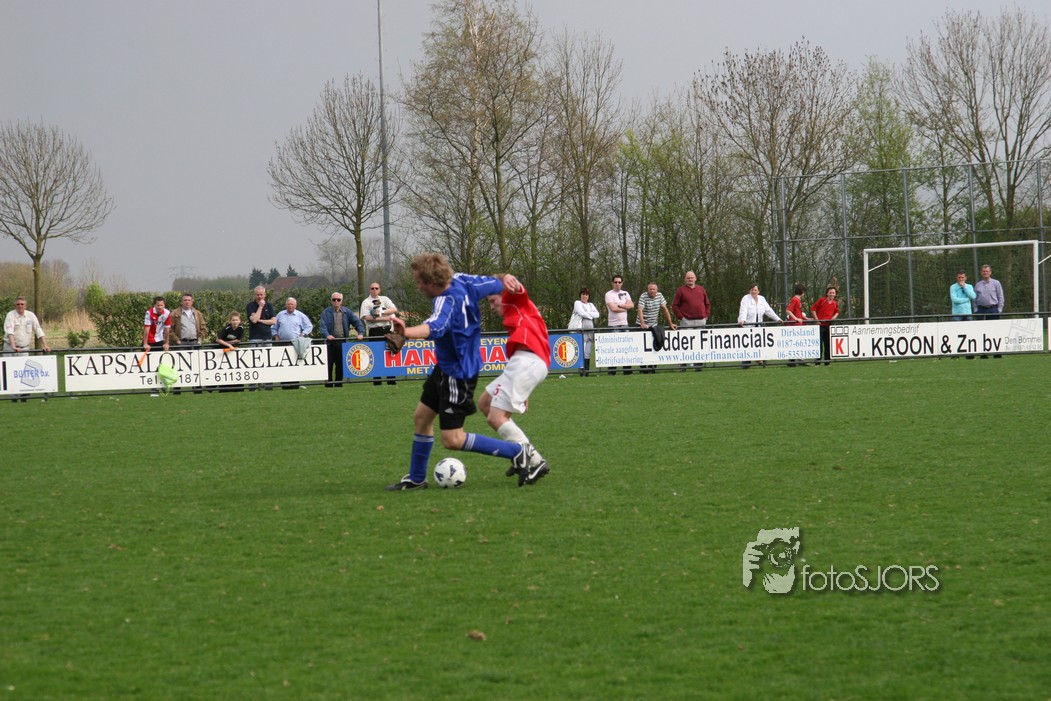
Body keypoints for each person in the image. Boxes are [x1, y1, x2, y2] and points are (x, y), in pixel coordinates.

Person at [384, 252, 537, 491]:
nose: (418, 286)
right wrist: (506, 276)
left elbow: (435, 327)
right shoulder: (464, 280)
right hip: (446, 367)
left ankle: (517, 451)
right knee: (422, 418)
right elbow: (496, 282)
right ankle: (416, 479)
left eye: (420, 282)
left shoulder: (446, 300)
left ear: (431, 283)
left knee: (453, 439)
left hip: (458, 374)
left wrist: (406, 332)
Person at [478, 284, 551, 485]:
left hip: (527, 362)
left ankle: (535, 461)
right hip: (523, 362)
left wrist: (505, 279)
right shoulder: (517, 314)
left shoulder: (517, 302)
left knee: (496, 418)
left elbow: (517, 288)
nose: (491, 306)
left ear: (505, 295)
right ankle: (520, 455)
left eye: (493, 301)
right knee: (485, 403)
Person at [319, 291, 365, 387]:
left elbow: (357, 322)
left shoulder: (347, 312)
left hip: (342, 342)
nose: (336, 301)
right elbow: (322, 326)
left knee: (340, 364)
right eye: (334, 299)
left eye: (338, 299)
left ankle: (338, 384)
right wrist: (327, 335)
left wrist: (360, 333)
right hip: (329, 343)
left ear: (341, 301)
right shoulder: (326, 312)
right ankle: (329, 385)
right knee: (328, 364)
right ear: (331, 301)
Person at [360, 282, 399, 386]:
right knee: (376, 355)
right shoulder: (366, 302)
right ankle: (377, 381)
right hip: (375, 331)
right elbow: (367, 317)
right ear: (369, 290)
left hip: (387, 330)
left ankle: (391, 380)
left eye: (376, 288)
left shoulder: (385, 299)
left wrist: (381, 312)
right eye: (372, 288)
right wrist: (385, 318)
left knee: (389, 354)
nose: (374, 290)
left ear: (379, 289)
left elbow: (394, 309)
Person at [672, 270, 711, 371]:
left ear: (695, 278)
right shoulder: (681, 290)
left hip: (701, 321)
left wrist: (706, 316)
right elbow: (675, 306)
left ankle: (698, 366)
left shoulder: (701, 289)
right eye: (688, 278)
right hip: (686, 321)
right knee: (685, 344)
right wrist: (681, 318)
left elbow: (707, 304)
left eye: (692, 277)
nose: (690, 279)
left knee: (699, 344)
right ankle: (683, 366)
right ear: (685, 279)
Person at [636, 282, 677, 374]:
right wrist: (642, 323)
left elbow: (665, 309)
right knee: (642, 347)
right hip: (642, 324)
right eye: (650, 289)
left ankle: (652, 367)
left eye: (654, 289)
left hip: (654, 324)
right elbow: (640, 310)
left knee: (655, 344)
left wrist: (670, 323)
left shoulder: (660, 296)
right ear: (648, 290)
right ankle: (643, 368)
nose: (652, 291)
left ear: (657, 290)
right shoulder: (643, 296)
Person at [737, 284, 781, 368]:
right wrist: (743, 320)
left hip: (758, 326)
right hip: (747, 326)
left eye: (755, 290)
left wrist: (777, 319)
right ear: (749, 291)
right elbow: (743, 310)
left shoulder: (762, 299)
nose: (753, 291)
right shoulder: (745, 298)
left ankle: (760, 360)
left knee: (759, 344)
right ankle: (747, 363)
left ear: (758, 291)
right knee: (748, 345)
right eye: (752, 290)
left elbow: (768, 310)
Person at [604, 274, 634, 375]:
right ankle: (612, 371)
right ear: (612, 283)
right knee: (613, 349)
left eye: (619, 282)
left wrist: (620, 305)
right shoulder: (609, 294)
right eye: (615, 282)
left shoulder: (625, 293)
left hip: (625, 324)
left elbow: (632, 305)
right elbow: (613, 309)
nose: (617, 284)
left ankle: (627, 371)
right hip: (613, 325)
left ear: (622, 283)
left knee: (627, 348)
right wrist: (625, 308)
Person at [568, 286, 600, 376]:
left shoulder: (591, 305)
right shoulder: (577, 303)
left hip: (589, 331)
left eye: (586, 295)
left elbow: (597, 314)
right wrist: (590, 315)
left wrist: (587, 314)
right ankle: (582, 371)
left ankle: (587, 371)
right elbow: (581, 312)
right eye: (583, 294)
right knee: (581, 350)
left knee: (588, 352)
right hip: (580, 330)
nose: (584, 296)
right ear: (580, 295)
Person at [974, 264, 1004, 359]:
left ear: (990, 272)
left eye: (987, 271)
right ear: (981, 273)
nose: (985, 273)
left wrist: (999, 309)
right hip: (981, 310)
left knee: (995, 331)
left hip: (993, 309)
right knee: (982, 331)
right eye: (984, 271)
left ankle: (997, 352)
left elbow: (1000, 296)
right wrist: (976, 310)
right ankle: (984, 353)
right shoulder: (978, 285)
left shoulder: (996, 283)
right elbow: (974, 299)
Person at [810, 286, 840, 366]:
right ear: (827, 293)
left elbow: (837, 312)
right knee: (819, 344)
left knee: (828, 345)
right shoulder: (822, 300)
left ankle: (827, 362)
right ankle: (817, 362)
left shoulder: (835, 303)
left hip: (828, 326)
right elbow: (813, 309)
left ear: (835, 294)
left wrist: (833, 318)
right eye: (830, 292)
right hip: (820, 326)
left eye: (833, 293)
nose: (832, 294)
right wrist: (817, 320)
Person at [784, 283, 809, 366]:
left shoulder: (797, 299)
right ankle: (795, 360)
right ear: (802, 291)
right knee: (796, 342)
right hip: (794, 324)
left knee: (797, 342)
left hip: (797, 324)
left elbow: (797, 311)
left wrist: (805, 318)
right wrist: (796, 318)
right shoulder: (795, 299)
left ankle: (794, 360)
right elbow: (788, 310)